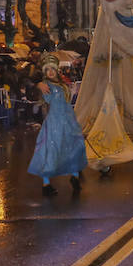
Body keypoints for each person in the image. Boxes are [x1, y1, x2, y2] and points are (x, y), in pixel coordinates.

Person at [27, 54, 87, 196]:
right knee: (51, 152)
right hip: (55, 123)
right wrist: (37, 83)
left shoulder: (62, 85)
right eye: (47, 70)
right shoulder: (46, 85)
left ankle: (75, 177)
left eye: (52, 69)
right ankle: (46, 185)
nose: (50, 72)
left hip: (69, 121)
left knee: (74, 148)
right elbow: (30, 87)